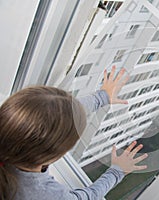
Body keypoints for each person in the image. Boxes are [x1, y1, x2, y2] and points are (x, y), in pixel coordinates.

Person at [0, 66, 148, 200]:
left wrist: (101, 97)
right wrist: (117, 172)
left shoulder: (9, 130)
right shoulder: (45, 195)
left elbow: (51, 117)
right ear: (56, 154)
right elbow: (87, 197)